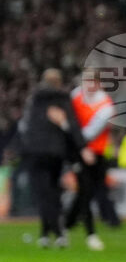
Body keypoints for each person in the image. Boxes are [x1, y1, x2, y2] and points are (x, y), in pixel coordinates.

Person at [18, 69, 95, 248]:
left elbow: (24, 126)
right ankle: (48, 234)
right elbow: (73, 126)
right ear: (59, 82)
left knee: (43, 194)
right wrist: (82, 147)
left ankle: (56, 233)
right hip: (55, 153)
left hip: (35, 152)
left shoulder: (34, 99)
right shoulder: (63, 98)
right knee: (52, 192)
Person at [65, 69, 115, 251]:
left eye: (93, 82)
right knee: (85, 190)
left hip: (97, 153)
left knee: (90, 191)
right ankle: (91, 234)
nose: (89, 86)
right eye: (86, 81)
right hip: (80, 152)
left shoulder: (106, 106)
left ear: (99, 84)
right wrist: (80, 148)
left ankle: (67, 223)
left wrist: (72, 133)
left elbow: (89, 132)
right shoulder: (75, 96)